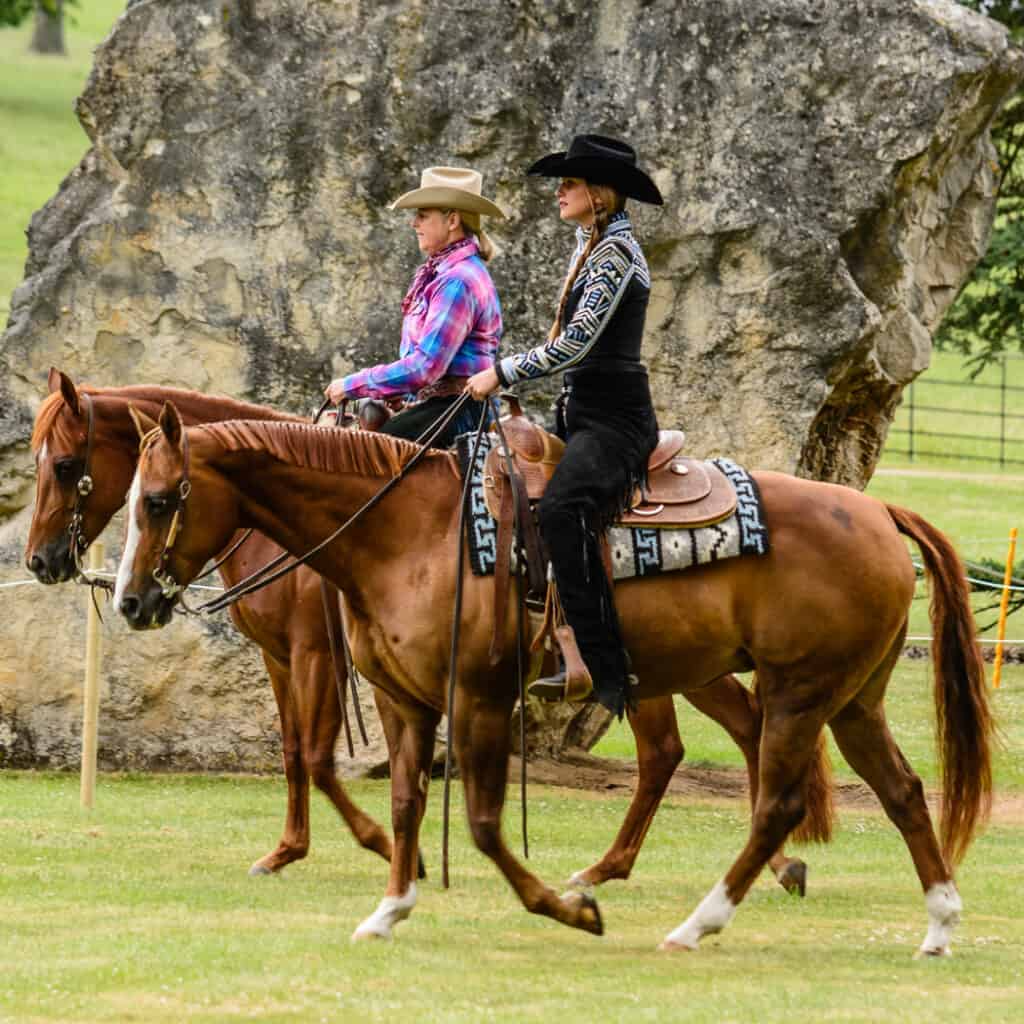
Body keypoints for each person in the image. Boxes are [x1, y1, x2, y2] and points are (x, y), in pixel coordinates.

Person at [466, 134, 663, 715]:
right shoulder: (590, 246)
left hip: (616, 421)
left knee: (561, 509)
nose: (560, 191)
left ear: (600, 196)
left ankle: (604, 665)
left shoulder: (616, 257)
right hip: (582, 415)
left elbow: (575, 346)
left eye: (571, 183)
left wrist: (502, 373)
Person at [325, 166, 504, 447]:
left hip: (457, 410)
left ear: (452, 220)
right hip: (445, 406)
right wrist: (397, 392)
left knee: (368, 456)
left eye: (422, 215)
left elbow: (426, 367)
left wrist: (352, 385)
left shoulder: (457, 281)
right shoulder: (444, 274)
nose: (414, 223)